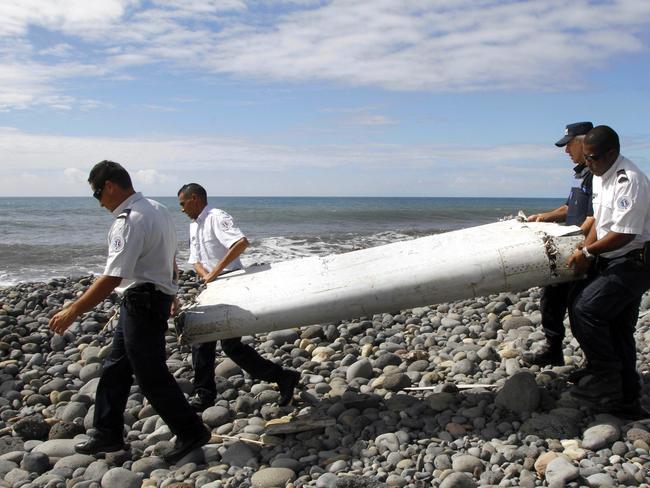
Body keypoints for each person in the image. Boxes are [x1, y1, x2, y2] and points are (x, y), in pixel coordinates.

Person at [49, 161, 210, 464]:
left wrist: (74, 309)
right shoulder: (157, 209)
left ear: (110, 186)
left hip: (143, 302)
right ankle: (106, 432)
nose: (99, 203)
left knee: (150, 374)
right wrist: (171, 291)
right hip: (147, 299)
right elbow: (168, 256)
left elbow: (112, 278)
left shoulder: (130, 219)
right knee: (115, 367)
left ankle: (191, 430)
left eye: (98, 194)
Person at [177, 183, 300, 411]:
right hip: (213, 286)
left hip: (231, 282)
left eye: (183, 204)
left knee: (222, 343)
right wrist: (206, 275)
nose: (182, 209)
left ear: (194, 198)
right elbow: (195, 259)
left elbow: (240, 243)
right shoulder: (194, 226)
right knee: (210, 341)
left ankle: (206, 395)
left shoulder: (216, 217)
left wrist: (215, 273)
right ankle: (281, 378)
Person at [567, 126, 650, 418]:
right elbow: (600, 223)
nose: (587, 164)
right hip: (612, 258)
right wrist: (585, 251)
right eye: (586, 158)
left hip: (634, 261)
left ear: (612, 153)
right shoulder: (601, 175)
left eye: (593, 158)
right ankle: (627, 401)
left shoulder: (630, 180)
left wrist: (589, 252)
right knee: (617, 329)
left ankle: (606, 377)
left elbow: (624, 233)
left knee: (586, 310)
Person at [524, 121, 594, 366]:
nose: (566, 151)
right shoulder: (579, 174)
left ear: (584, 142)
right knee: (551, 299)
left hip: (585, 251)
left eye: (569, 145)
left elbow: (595, 218)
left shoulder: (597, 176)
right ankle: (553, 348)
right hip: (568, 247)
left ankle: (593, 362)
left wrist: (583, 249)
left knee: (580, 308)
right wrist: (542, 217)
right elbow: (568, 208)